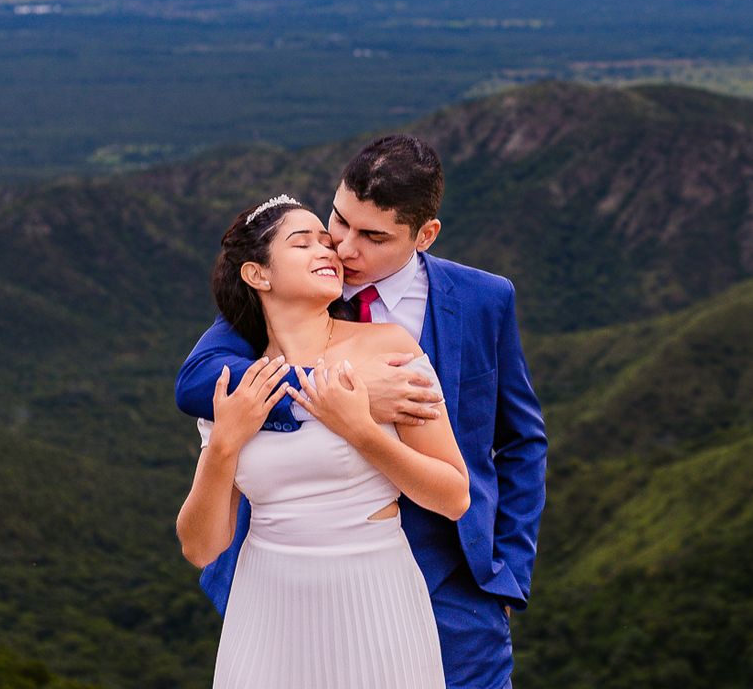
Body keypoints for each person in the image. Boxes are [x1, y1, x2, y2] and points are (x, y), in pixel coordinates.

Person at [177, 135, 547, 689]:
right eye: (338, 222)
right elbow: (195, 382)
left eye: (373, 237)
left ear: (424, 235)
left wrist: (508, 573)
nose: (343, 250)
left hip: (453, 585)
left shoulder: (480, 301)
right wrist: (332, 395)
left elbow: (521, 440)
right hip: (279, 593)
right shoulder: (259, 316)